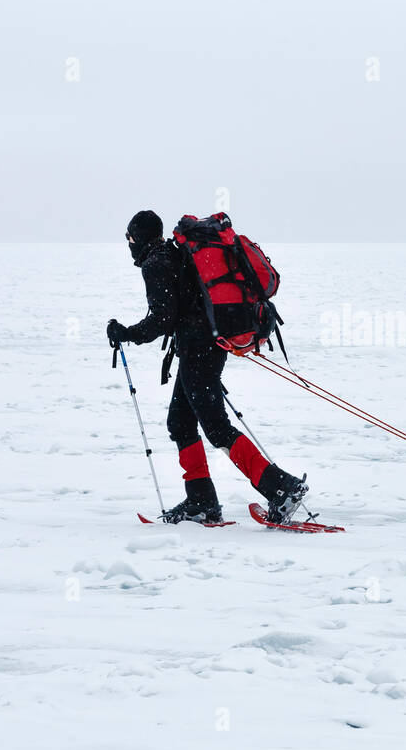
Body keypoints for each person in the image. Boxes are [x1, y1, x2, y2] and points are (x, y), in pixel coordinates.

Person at [107, 210, 309, 524]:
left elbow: (163, 318)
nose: (129, 243)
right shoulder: (173, 253)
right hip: (203, 348)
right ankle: (201, 499)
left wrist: (127, 333)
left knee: (216, 427)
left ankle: (280, 487)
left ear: (141, 236)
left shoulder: (155, 264)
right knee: (180, 422)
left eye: (130, 237)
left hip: (199, 351)